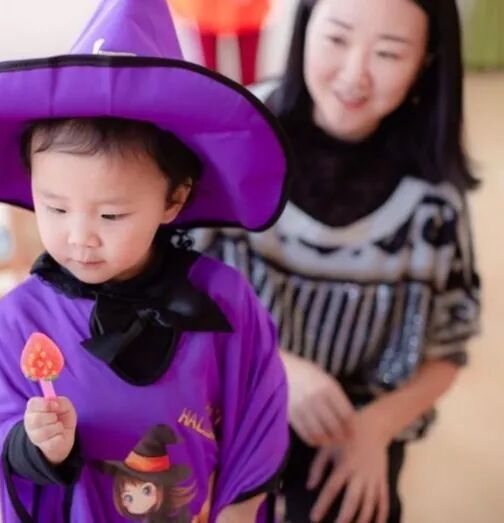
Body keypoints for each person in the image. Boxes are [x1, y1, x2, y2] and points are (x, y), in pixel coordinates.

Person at [0, 0, 291, 521]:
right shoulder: (21, 320)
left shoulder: (224, 301)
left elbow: (261, 415)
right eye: (55, 208)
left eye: (112, 215)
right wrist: (35, 443)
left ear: (174, 199)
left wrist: (240, 510)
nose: (80, 238)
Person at [200, 0, 481, 521]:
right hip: (230, 388)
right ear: (305, 27)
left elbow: (449, 347)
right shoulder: (237, 136)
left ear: (427, 60)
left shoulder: (435, 193)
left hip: (357, 418)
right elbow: (169, 289)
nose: (355, 75)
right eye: (336, 38)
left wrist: (375, 429)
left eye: (388, 53)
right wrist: (277, 368)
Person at [169, 0, 272, 85]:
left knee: (248, 72)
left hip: (247, 12)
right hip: (207, 9)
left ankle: (250, 97)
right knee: (210, 72)